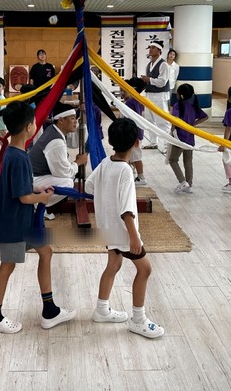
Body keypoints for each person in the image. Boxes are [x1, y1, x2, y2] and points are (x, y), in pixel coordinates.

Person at [0, 101, 75, 334]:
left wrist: (37, 190)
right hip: (14, 224)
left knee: (46, 252)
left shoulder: (16, 152)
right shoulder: (18, 157)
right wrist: (41, 197)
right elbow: (24, 197)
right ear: (28, 127)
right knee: (7, 266)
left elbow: (22, 188)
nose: (36, 125)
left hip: (24, 221)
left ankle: (50, 310)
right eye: (34, 121)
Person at [86, 118, 164, 339]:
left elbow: (90, 186)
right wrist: (134, 237)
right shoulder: (126, 171)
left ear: (110, 141)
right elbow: (127, 210)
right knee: (145, 269)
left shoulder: (105, 162)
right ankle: (138, 320)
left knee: (113, 264)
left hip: (108, 228)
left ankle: (102, 309)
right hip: (123, 232)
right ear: (136, 143)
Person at [30, 105, 89, 220]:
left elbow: (74, 142)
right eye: (72, 118)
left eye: (76, 118)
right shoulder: (56, 141)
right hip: (34, 179)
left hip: (34, 176)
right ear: (61, 120)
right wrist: (78, 162)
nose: (75, 122)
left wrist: (84, 117)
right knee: (67, 183)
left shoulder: (54, 130)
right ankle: (35, 204)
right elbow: (64, 172)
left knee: (69, 178)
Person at [168, 84, 208, 194]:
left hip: (179, 137)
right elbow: (205, 116)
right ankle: (189, 184)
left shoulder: (177, 106)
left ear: (179, 95)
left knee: (173, 160)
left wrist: (172, 131)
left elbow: (175, 121)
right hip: (190, 138)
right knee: (188, 161)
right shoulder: (193, 106)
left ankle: (182, 181)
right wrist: (193, 124)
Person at [140, 40, 171, 153]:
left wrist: (149, 80)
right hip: (149, 95)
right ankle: (153, 142)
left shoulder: (164, 64)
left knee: (162, 121)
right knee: (149, 120)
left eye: (153, 48)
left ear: (159, 50)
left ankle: (167, 145)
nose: (150, 49)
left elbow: (162, 82)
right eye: (150, 47)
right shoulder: (149, 64)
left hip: (159, 95)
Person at [122, 77, 148, 185]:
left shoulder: (131, 102)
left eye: (124, 90)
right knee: (131, 156)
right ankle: (131, 174)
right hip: (135, 132)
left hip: (133, 134)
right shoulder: (137, 100)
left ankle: (141, 177)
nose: (122, 93)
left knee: (136, 157)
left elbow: (133, 119)